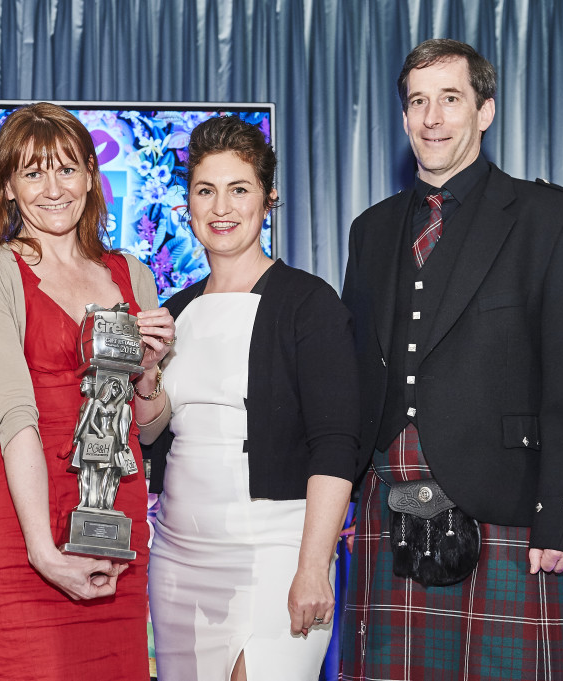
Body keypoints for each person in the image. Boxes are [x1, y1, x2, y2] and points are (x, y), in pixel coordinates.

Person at [339, 39, 563, 680]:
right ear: (404, 117)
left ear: (485, 111)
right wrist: (342, 498)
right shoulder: (371, 230)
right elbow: (357, 372)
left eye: (450, 99)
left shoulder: (554, 219)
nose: (432, 118)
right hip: (389, 500)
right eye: (417, 101)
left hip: (508, 505)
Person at [0, 102, 174, 680]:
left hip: (116, 537)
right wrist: (44, 554)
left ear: (91, 179)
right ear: (5, 186)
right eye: (32, 172)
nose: (53, 188)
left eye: (67, 169)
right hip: (23, 540)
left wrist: (148, 370)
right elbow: (14, 417)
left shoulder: (131, 273)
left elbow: (145, 427)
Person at [141, 115, 359, 681]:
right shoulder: (176, 310)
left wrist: (314, 565)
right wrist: (143, 377)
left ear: (268, 199)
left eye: (239, 189)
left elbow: (337, 444)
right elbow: (147, 433)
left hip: (275, 552)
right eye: (205, 190)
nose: (221, 207)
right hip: (178, 558)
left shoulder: (310, 304)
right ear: (187, 203)